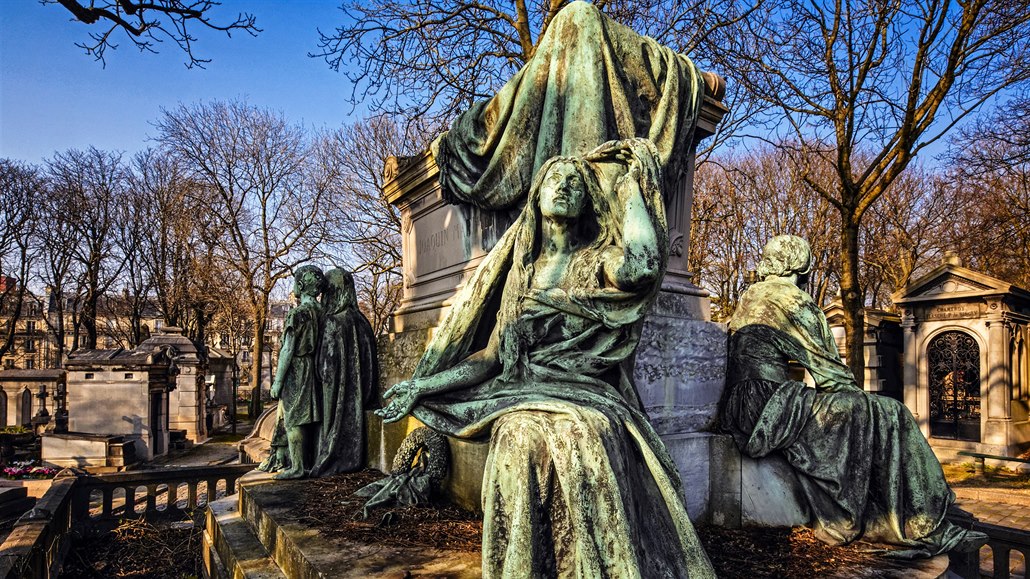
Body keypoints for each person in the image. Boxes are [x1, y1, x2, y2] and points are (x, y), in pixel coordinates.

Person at [378, 139, 715, 578]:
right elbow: (489, 358)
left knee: (586, 433)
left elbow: (644, 268)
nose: (563, 187)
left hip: (587, 393)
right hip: (520, 393)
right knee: (517, 439)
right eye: (553, 179)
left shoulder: (598, 260)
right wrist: (420, 385)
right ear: (536, 196)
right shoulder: (522, 277)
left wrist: (631, 190)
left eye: (574, 183)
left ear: (587, 201)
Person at [722, 235, 986, 557]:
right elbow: (829, 374)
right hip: (769, 405)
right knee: (889, 412)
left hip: (742, 405)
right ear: (801, 266)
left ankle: (915, 508)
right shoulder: (791, 300)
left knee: (867, 410)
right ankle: (918, 515)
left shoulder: (752, 294)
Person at [310, 268, 380, 477]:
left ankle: (330, 454)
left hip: (336, 400)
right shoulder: (362, 321)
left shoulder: (332, 322)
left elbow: (325, 370)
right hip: (360, 398)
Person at [269, 265, 324, 480]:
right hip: (316, 368)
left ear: (300, 286)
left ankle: (297, 467)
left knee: (293, 419)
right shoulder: (323, 312)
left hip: (298, 369)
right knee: (310, 418)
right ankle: (307, 462)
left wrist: (277, 382)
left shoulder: (298, 313)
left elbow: (288, 349)